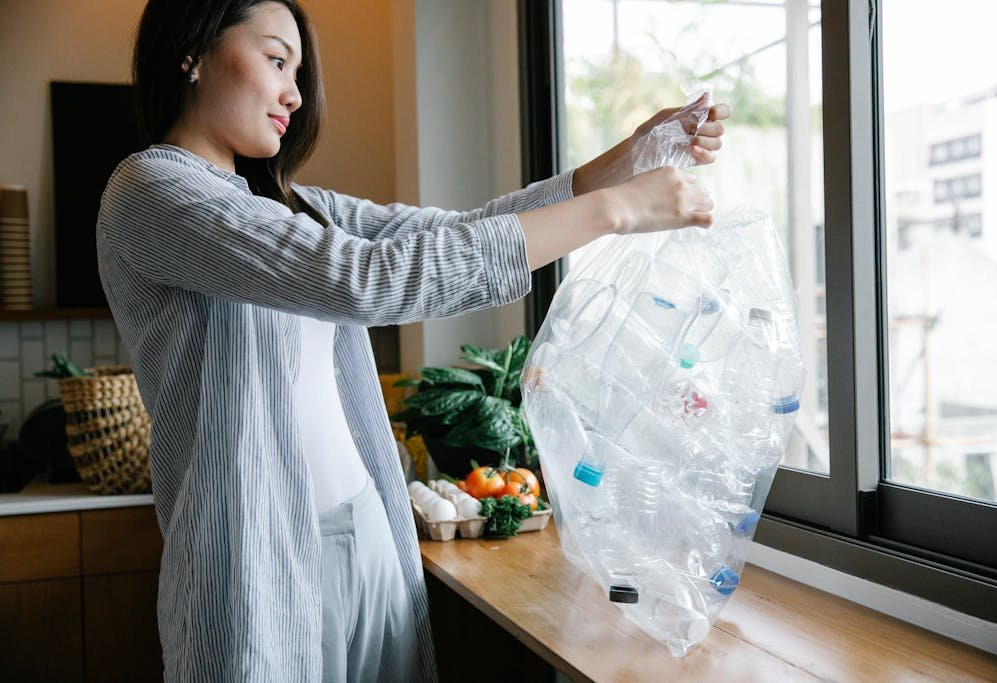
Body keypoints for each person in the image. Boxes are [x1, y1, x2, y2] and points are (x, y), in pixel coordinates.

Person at [99, 0, 731, 681]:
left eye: (300, 72)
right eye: (277, 60)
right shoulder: (150, 190)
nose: (295, 93)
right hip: (252, 564)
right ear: (192, 50)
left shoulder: (294, 207)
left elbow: (461, 231)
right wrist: (617, 210)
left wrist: (627, 160)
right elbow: (365, 280)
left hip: (368, 532)